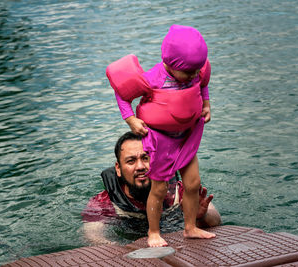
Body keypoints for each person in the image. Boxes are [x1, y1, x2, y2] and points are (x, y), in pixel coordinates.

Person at [106, 25, 214, 247]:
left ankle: (190, 227)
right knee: (160, 188)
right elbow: (122, 93)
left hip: (187, 136)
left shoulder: (195, 71)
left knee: (193, 183)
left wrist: (206, 104)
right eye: (188, 73)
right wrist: (130, 119)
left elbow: (203, 84)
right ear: (170, 64)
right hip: (160, 139)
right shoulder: (153, 78)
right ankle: (153, 232)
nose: (193, 76)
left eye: (195, 71)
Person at [82, 132, 221, 245]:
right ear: (118, 169)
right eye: (131, 161)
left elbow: (216, 220)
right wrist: (121, 251)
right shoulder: (104, 202)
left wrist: (202, 216)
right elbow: (92, 235)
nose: (140, 167)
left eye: (146, 158)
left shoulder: (178, 192)